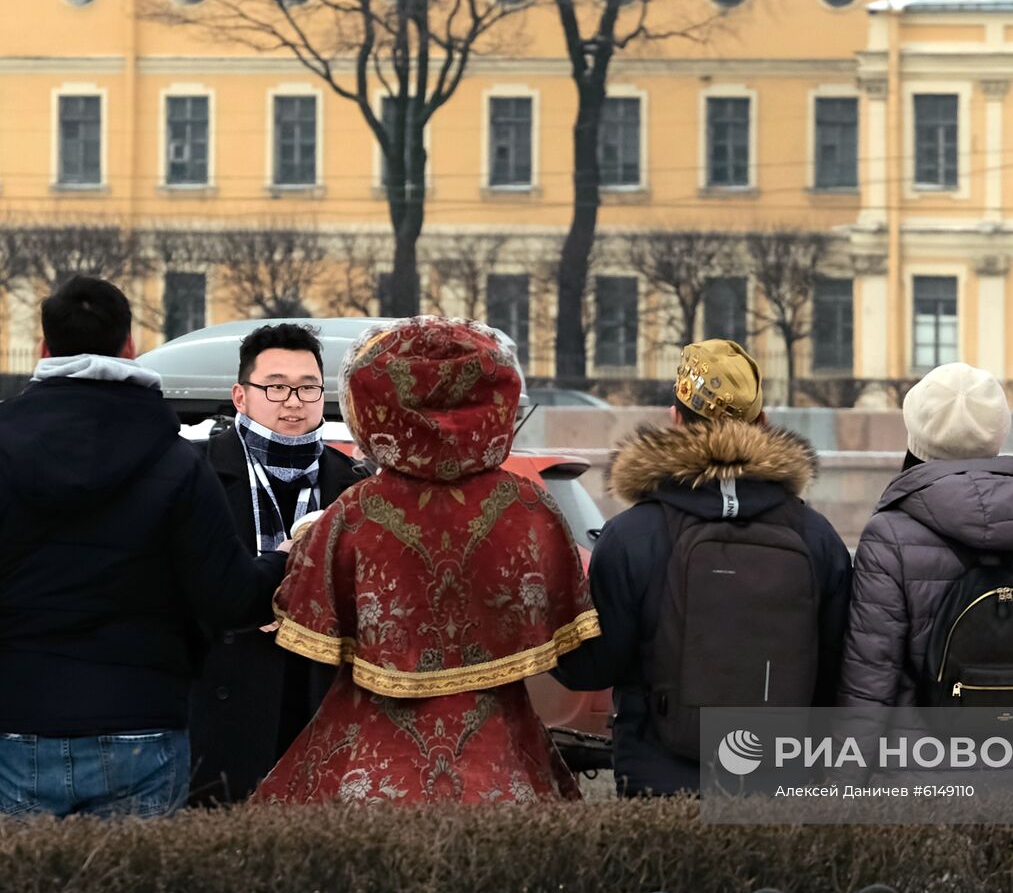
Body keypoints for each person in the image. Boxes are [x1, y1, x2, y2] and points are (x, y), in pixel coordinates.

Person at [253, 317, 597, 804]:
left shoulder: (352, 515)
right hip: (501, 766)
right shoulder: (529, 509)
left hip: (370, 772)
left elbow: (301, 627)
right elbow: (578, 649)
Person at [0, 277, 288, 818]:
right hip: (142, 723)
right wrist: (286, 558)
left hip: (15, 721)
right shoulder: (177, 463)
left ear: (43, 348)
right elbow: (230, 598)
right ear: (129, 346)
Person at [552, 338, 852, 797]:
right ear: (764, 422)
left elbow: (591, 669)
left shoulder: (632, 536)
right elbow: (836, 675)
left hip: (661, 785)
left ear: (676, 418)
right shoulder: (818, 539)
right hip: (781, 785)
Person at [188, 323, 364, 804]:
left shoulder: (353, 484)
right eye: (276, 386)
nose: (293, 401)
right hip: (219, 702)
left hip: (316, 701)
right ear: (240, 396)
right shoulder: (197, 470)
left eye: (308, 387)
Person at [838, 362, 1013, 708]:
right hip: (1009, 752)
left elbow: (870, 677)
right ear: (999, 431)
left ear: (916, 434)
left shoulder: (889, 536)